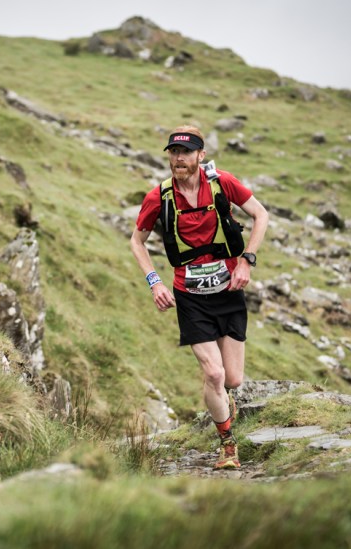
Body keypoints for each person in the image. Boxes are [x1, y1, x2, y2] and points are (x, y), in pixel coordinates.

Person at [130, 125, 269, 469]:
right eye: (174, 153)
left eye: (186, 153)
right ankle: (227, 446)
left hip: (228, 289)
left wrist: (246, 261)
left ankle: (222, 402)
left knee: (233, 379)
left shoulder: (221, 182)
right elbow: (137, 241)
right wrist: (155, 282)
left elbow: (261, 215)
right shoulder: (158, 197)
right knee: (214, 374)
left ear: (200, 155)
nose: (179, 159)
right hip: (189, 296)